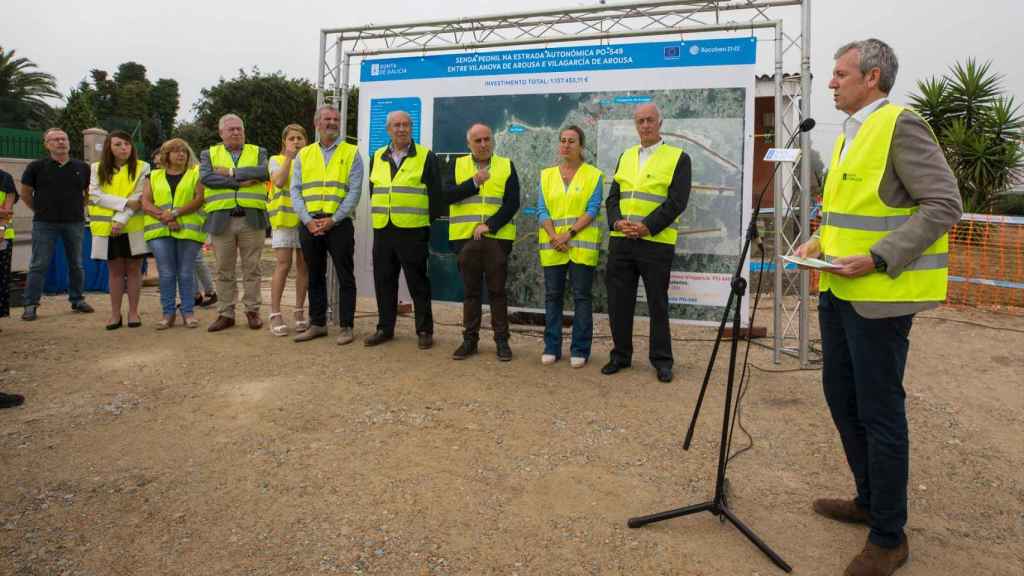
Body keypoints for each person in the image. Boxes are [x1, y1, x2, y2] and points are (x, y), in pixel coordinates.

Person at [793, 39, 961, 576]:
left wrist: (879, 257)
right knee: (842, 400)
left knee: (880, 413)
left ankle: (888, 536)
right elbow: (849, 214)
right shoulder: (848, 135)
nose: (831, 82)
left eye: (840, 74)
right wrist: (817, 243)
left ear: (871, 77)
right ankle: (868, 501)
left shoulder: (900, 126)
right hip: (839, 293)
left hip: (880, 302)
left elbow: (944, 204)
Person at [602, 103, 691, 383]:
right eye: (640, 121)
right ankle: (620, 356)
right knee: (619, 302)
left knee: (657, 303)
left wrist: (647, 227)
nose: (645, 125)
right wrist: (616, 222)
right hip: (621, 241)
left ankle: (662, 360)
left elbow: (677, 202)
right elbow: (613, 198)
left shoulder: (678, 157)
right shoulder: (626, 156)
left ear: (660, 122)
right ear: (635, 125)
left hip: (655, 242)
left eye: (650, 120)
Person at [365, 110, 443, 349]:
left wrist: (422, 224)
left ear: (412, 129)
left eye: (406, 125)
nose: (401, 129)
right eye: (396, 125)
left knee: (418, 283)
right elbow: (374, 191)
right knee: (384, 281)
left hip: (413, 231)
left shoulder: (425, 157)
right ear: (388, 130)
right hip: (384, 229)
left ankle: (424, 330)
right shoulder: (377, 156)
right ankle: (385, 328)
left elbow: (436, 196)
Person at [444, 123, 520, 361]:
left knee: (498, 292)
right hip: (465, 240)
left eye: (487, 139)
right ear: (469, 144)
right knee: (471, 292)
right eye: (478, 141)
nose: (484, 144)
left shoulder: (506, 165)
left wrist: (491, 224)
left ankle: (501, 342)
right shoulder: (456, 165)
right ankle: (470, 341)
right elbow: (446, 196)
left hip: (496, 240)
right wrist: (474, 183)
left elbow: (512, 202)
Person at [290, 105, 361, 344]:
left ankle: (347, 326)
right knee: (315, 275)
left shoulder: (352, 153)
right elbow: (295, 191)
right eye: (327, 119)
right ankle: (317, 323)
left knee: (345, 275)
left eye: (336, 119)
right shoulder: (304, 154)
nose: (332, 122)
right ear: (316, 123)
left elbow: (354, 192)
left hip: (338, 223)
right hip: (310, 224)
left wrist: (333, 220)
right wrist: (308, 221)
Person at [537, 126, 604, 369]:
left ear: (581, 146)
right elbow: (541, 209)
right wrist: (555, 236)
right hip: (553, 246)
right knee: (553, 296)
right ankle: (551, 347)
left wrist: (569, 234)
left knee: (581, 298)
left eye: (572, 141)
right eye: (563, 140)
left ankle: (580, 349)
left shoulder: (594, 175)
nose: (566, 145)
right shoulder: (546, 175)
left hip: (580, 246)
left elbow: (593, 209)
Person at [200, 113, 270, 332]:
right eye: (231, 129)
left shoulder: (259, 152)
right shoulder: (208, 154)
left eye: (239, 128)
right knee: (223, 269)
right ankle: (225, 313)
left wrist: (230, 173)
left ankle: (252, 311)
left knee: (253, 268)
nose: (236, 132)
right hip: (222, 220)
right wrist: (241, 182)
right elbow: (206, 178)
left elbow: (264, 171)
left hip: (252, 219)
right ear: (221, 133)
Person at [19, 128, 95, 321]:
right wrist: (40, 210)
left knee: (76, 263)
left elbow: (88, 193)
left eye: (64, 138)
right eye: (55, 140)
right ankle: (30, 304)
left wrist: (78, 207)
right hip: (44, 223)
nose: (61, 142)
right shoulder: (36, 167)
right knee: (39, 264)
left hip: (74, 222)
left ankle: (77, 299)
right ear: (47, 145)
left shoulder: (82, 167)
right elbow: (26, 194)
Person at [88, 130, 150, 329]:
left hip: (132, 227)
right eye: (118, 144)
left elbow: (139, 197)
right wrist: (124, 205)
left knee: (134, 270)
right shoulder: (96, 168)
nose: (123, 148)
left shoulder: (143, 167)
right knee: (114, 272)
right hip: (106, 229)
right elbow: (95, 195)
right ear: (109, 147)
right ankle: (115, 315)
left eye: (127, 144)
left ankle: (133, 312)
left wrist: (120, 221)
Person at [141, 138, 206, 329]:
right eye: (176, 151)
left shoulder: (196, 175)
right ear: (166, 155)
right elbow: (145, 202)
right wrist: (166, 218)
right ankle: (167, 313)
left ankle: (188, 312)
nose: (181, 154)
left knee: (186, 272)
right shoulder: (152, 176)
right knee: (167, 273)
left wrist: (176, 214)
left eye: (184, 151)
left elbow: (199, 199)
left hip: (189, 230)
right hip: (159, 230)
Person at [267, 124, 310, 337]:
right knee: (283, 265)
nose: (296, 141)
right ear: (284, 141)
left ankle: (300, 312)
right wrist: (289, 158)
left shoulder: (310, 161)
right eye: (292, 138)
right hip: (283, 220)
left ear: (306, 141)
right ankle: (275, 314)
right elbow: (279, 181)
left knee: (304, 267)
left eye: (300, 138)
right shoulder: (275, 160)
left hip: (305, 220)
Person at [0, 168, 17, 330]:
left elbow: (7, 212)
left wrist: (1, 228)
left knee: (1, 278)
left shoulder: (5, 178)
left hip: (2, 235)